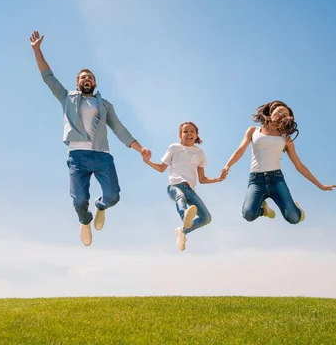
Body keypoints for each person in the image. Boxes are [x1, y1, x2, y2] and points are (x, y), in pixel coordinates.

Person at [30, 31, 151, 246]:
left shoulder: (105, 105)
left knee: (113, 197)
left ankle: (101, 207)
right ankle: (85, 221)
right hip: (77, 156)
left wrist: (140, 149)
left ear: (94, 82)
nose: (87, 79)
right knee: (79, 201)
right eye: (83, 77)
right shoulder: (67, 97)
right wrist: (37, 50)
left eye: (90, 77)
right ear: (78, 83)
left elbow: (119, 129)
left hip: (102, 156)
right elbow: (48, 77)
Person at [221, 101, 336, 224]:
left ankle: (295, 209)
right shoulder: (253, 130)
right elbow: (240, 150)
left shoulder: (285, 138)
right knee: (248, 214)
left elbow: (299, 165)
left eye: (285, 114)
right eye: (280, 110)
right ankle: (265, 211)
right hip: (256, 180)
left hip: (276, 180)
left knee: (294, 219)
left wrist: (320, 185)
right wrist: (227, 166)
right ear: (272, 111)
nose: (282, 114)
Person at [143, 122, 225, 251]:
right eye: (185, 131)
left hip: (190, 190)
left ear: (196, 135)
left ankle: (182, 231)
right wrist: (148, 161)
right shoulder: (174, 148)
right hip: (174, 186)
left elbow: (202, 179)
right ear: (180, 135)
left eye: (192, 131)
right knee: (180, 197)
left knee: (206, 218)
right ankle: (184, 215)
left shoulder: (200, 153)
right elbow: (161, 168)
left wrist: (218, 179)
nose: (189, 134)